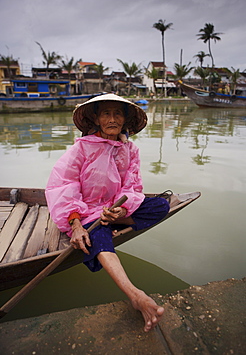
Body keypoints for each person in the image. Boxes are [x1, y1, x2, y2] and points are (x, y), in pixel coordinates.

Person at [45, 93, 171, 332]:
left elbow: (133, 188)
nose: (112, 119)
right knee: (99, 235)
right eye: (106, 113)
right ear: (96, 117)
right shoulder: (81, 148)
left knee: (161, 205)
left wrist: (120, 209)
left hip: (114, 209)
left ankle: (111, 222)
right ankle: (135, 294)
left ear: (125, 119)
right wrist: (76, 225)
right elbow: (63, 186)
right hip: (83, 212)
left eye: (118, 113)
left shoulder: (130, 150)